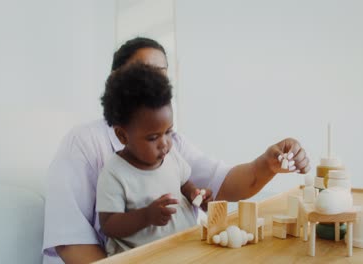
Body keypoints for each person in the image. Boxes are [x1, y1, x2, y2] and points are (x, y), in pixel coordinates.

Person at [42, 37, 310, 264]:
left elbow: (226, 185)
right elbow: (71, 243)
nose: (154, 82)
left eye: (162, 73)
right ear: (116, 81)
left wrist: (267, 163)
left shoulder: (170, 144)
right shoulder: (86, 144)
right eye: (145, 71)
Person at [97, 63, 210, 255]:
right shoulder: (114, 172)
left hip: (183, 247)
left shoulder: (171, 155)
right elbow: (108, 224)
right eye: (153, 137)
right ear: (122, 136)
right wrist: (146, 216)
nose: (164, 143)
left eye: (168, 132)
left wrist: (195, 195)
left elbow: (183, 183)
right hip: (142, 256)